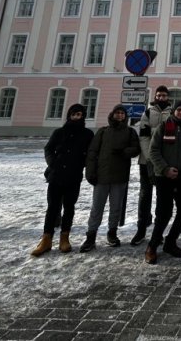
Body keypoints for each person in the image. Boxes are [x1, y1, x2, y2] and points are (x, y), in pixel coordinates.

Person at [31, 104, 94, 256]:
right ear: (69, 115)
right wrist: (52, 163)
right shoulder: (59, 132)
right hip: (56, 175)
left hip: (74, 176)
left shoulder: (87, 134)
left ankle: (64, 238)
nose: (76, 117)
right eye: (74, 114)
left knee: (69, 207)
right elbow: (48, 149)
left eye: (79, 114)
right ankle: (46, 239)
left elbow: (91, 153)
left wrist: (81, 164)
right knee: (52, 207)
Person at [80, 105, 140, 253]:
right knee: (97, 207)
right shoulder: (103, 131)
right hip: (102, 175)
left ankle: (112, 233)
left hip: (120, 175)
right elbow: (92, 152)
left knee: (116, 207)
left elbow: (136, 149)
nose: (120, 116)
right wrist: (90, 172)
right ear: (112, 115)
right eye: (117, 113)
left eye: (122, 113)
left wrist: (124, 151)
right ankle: (91, 235)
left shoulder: (130, 132)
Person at [146, 99, 181, 264]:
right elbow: (153, 150)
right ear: (174, 111)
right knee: (164, 213)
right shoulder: (164, 126)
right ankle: (152, 246)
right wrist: (165, 169)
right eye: (179, 110)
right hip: (164, 177)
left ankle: (170, 242)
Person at [134, 85, 173, 245]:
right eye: (159, 95)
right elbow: (143, 136)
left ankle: (158, 232)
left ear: (167, 97)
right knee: (145, 195)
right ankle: (141, 229)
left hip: (164, 163)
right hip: (147, 161)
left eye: (164, 95)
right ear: (155, 96)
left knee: (161, 198)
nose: (161, 98)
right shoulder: (148, 113)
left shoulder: (171, 114)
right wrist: (151, 156)